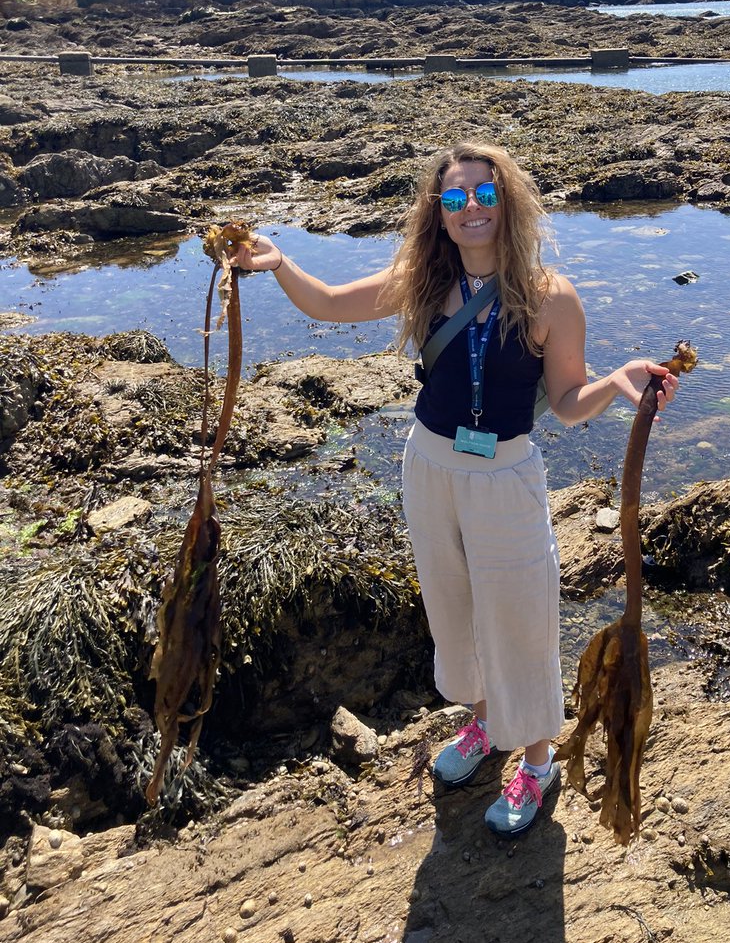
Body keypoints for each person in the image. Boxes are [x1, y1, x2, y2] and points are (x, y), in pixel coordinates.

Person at [229, 141, 678, 837]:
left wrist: (619, 382)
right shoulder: (422, 281)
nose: (472, 207)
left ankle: (535, 759)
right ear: (438, 214)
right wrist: (280, 262)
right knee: (453, 609)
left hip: (504, 473)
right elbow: (326, 305)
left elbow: (564, 401)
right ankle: (483, 723)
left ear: (509, 202)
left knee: (521, 615)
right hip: (429, 465)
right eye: (455, 197)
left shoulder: (550, 295)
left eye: (485, 194)